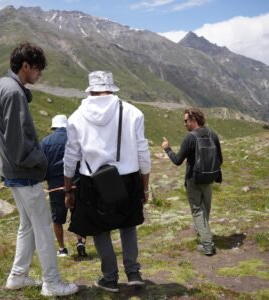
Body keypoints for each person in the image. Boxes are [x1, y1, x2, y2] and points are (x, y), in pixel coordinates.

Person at [0, 42, 78, 297]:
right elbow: (19, 144)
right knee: (42, 226)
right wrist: (41, 163)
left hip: (13, 171)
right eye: (38, 68)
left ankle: (18, 276)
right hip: (24, 173)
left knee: (27, 226)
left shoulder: (4, 88)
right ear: (26, 66)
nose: (40, 74)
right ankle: (52, 283)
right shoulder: (14, 93)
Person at [63, 70, 151, 293]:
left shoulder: (75, 118)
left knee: (100, 229)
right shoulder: (133, 113)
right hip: (129, 177)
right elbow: (143, 152)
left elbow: (70, 157)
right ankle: (133, 273)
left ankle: (110, 278)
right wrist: (145, 185)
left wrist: (67, 189)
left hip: (92, 181)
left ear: (90, 90)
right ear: (112, 88)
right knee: (128, 225)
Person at [161, 107, 223, 256]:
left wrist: (167, 149)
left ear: (194, 120)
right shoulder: (212, 134)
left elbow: (177, 161)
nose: (184, 124)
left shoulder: (190, 137)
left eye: (186, 120)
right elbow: (220, 159)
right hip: (209, 178)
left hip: (194, 179)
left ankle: (207, 245)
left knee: (197, 210)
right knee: (205, 209)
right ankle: (203, 234)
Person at [41, 114, 87, 257]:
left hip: (55, 184)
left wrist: (46, 177)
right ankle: (80, 241)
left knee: (57, 219)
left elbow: (41, 164)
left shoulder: (45, 142)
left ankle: (62, 249)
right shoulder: (75, 139)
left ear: (53, 127)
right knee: (78, 213)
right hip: (75, 182)